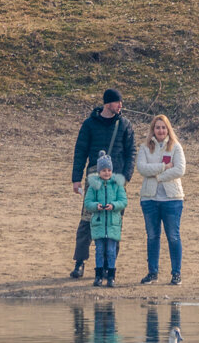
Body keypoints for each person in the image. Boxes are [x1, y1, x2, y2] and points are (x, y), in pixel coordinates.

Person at [70, 88, 135, 278]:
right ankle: (80, 262)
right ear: (108, 104)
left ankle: (109, 265)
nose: (120, 105)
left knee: (114, 222)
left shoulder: (125, 125)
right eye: (117, 102)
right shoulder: (89, 124)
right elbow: (80, 151)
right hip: (94, 179)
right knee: (87, 220)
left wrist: (126, 177)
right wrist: (76, 179)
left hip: (117, 181)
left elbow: (131, 153)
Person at [136, 114, 186, 285]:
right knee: (152, 236)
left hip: (172, 199)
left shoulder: (176, 147)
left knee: (173, 236)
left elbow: (179, 170)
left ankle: (176, 273)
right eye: (157, 127)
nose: (160, 130)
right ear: (153, 130)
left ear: (168, 129)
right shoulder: (144, 148)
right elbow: (142, 168)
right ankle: (152, 272)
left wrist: (157, 177)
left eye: (163, 127)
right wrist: (164, 167)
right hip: (149, 199)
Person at [83, 151, 127, 287]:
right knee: (99, 250)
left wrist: (113, 205)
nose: (106, 173)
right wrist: (97, 206)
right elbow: (87, 203)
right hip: (99, 224)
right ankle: (98, 276)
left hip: (113, 224)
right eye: (103, 170)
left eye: (108, 170)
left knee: (111, 251)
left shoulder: (117, 185)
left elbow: (123, 201)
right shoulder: (94, 186)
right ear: (99, 171)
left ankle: (111, 277)